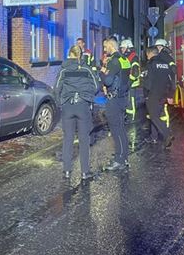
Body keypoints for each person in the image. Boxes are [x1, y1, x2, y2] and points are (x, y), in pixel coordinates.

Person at [55, 45, 101, 180]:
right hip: (83, 106)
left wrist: (61, 103)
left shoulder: (63, 69)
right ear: (80, 55)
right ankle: (85, 172)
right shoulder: (86, 68)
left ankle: (67, 171)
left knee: (68, 138)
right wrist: (87, 95)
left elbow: (57, 88)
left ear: (69, 54)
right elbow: (97, 86)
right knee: (84, 139)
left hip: (68, 106)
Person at [99, 37, 131, 171]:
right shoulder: (125, 60)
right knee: (121, 128)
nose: (105, 50)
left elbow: (108, 81)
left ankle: (119, 160)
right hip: (123, 98)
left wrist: (102, 72)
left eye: (105, 47)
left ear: (111, 46)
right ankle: (123, 156)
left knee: (116, 129)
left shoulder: (113, 61)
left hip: (114, 99)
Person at [142, 39, 176, 149]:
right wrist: (170, 94)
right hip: (163, 94)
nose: (147, 56)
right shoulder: (165, 64)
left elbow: (148, 81)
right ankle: (154, 136)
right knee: (158, 115)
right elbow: (171, 80)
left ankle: (167, 134)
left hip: (153, 95)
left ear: (150, 54)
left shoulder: (151, 64)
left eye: (147, 54)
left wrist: (146, 95)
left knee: (154, 116)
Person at [120, 39, 141, 124]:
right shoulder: (128, 56)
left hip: (132, 83)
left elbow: (135, 72)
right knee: (128, 101)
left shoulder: (133, 57)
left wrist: (130, 81)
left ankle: (131, 118)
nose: (121, 49)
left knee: (131, 101)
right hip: (128, 82)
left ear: (128, 48)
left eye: (123, 48)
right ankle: (127, 116)